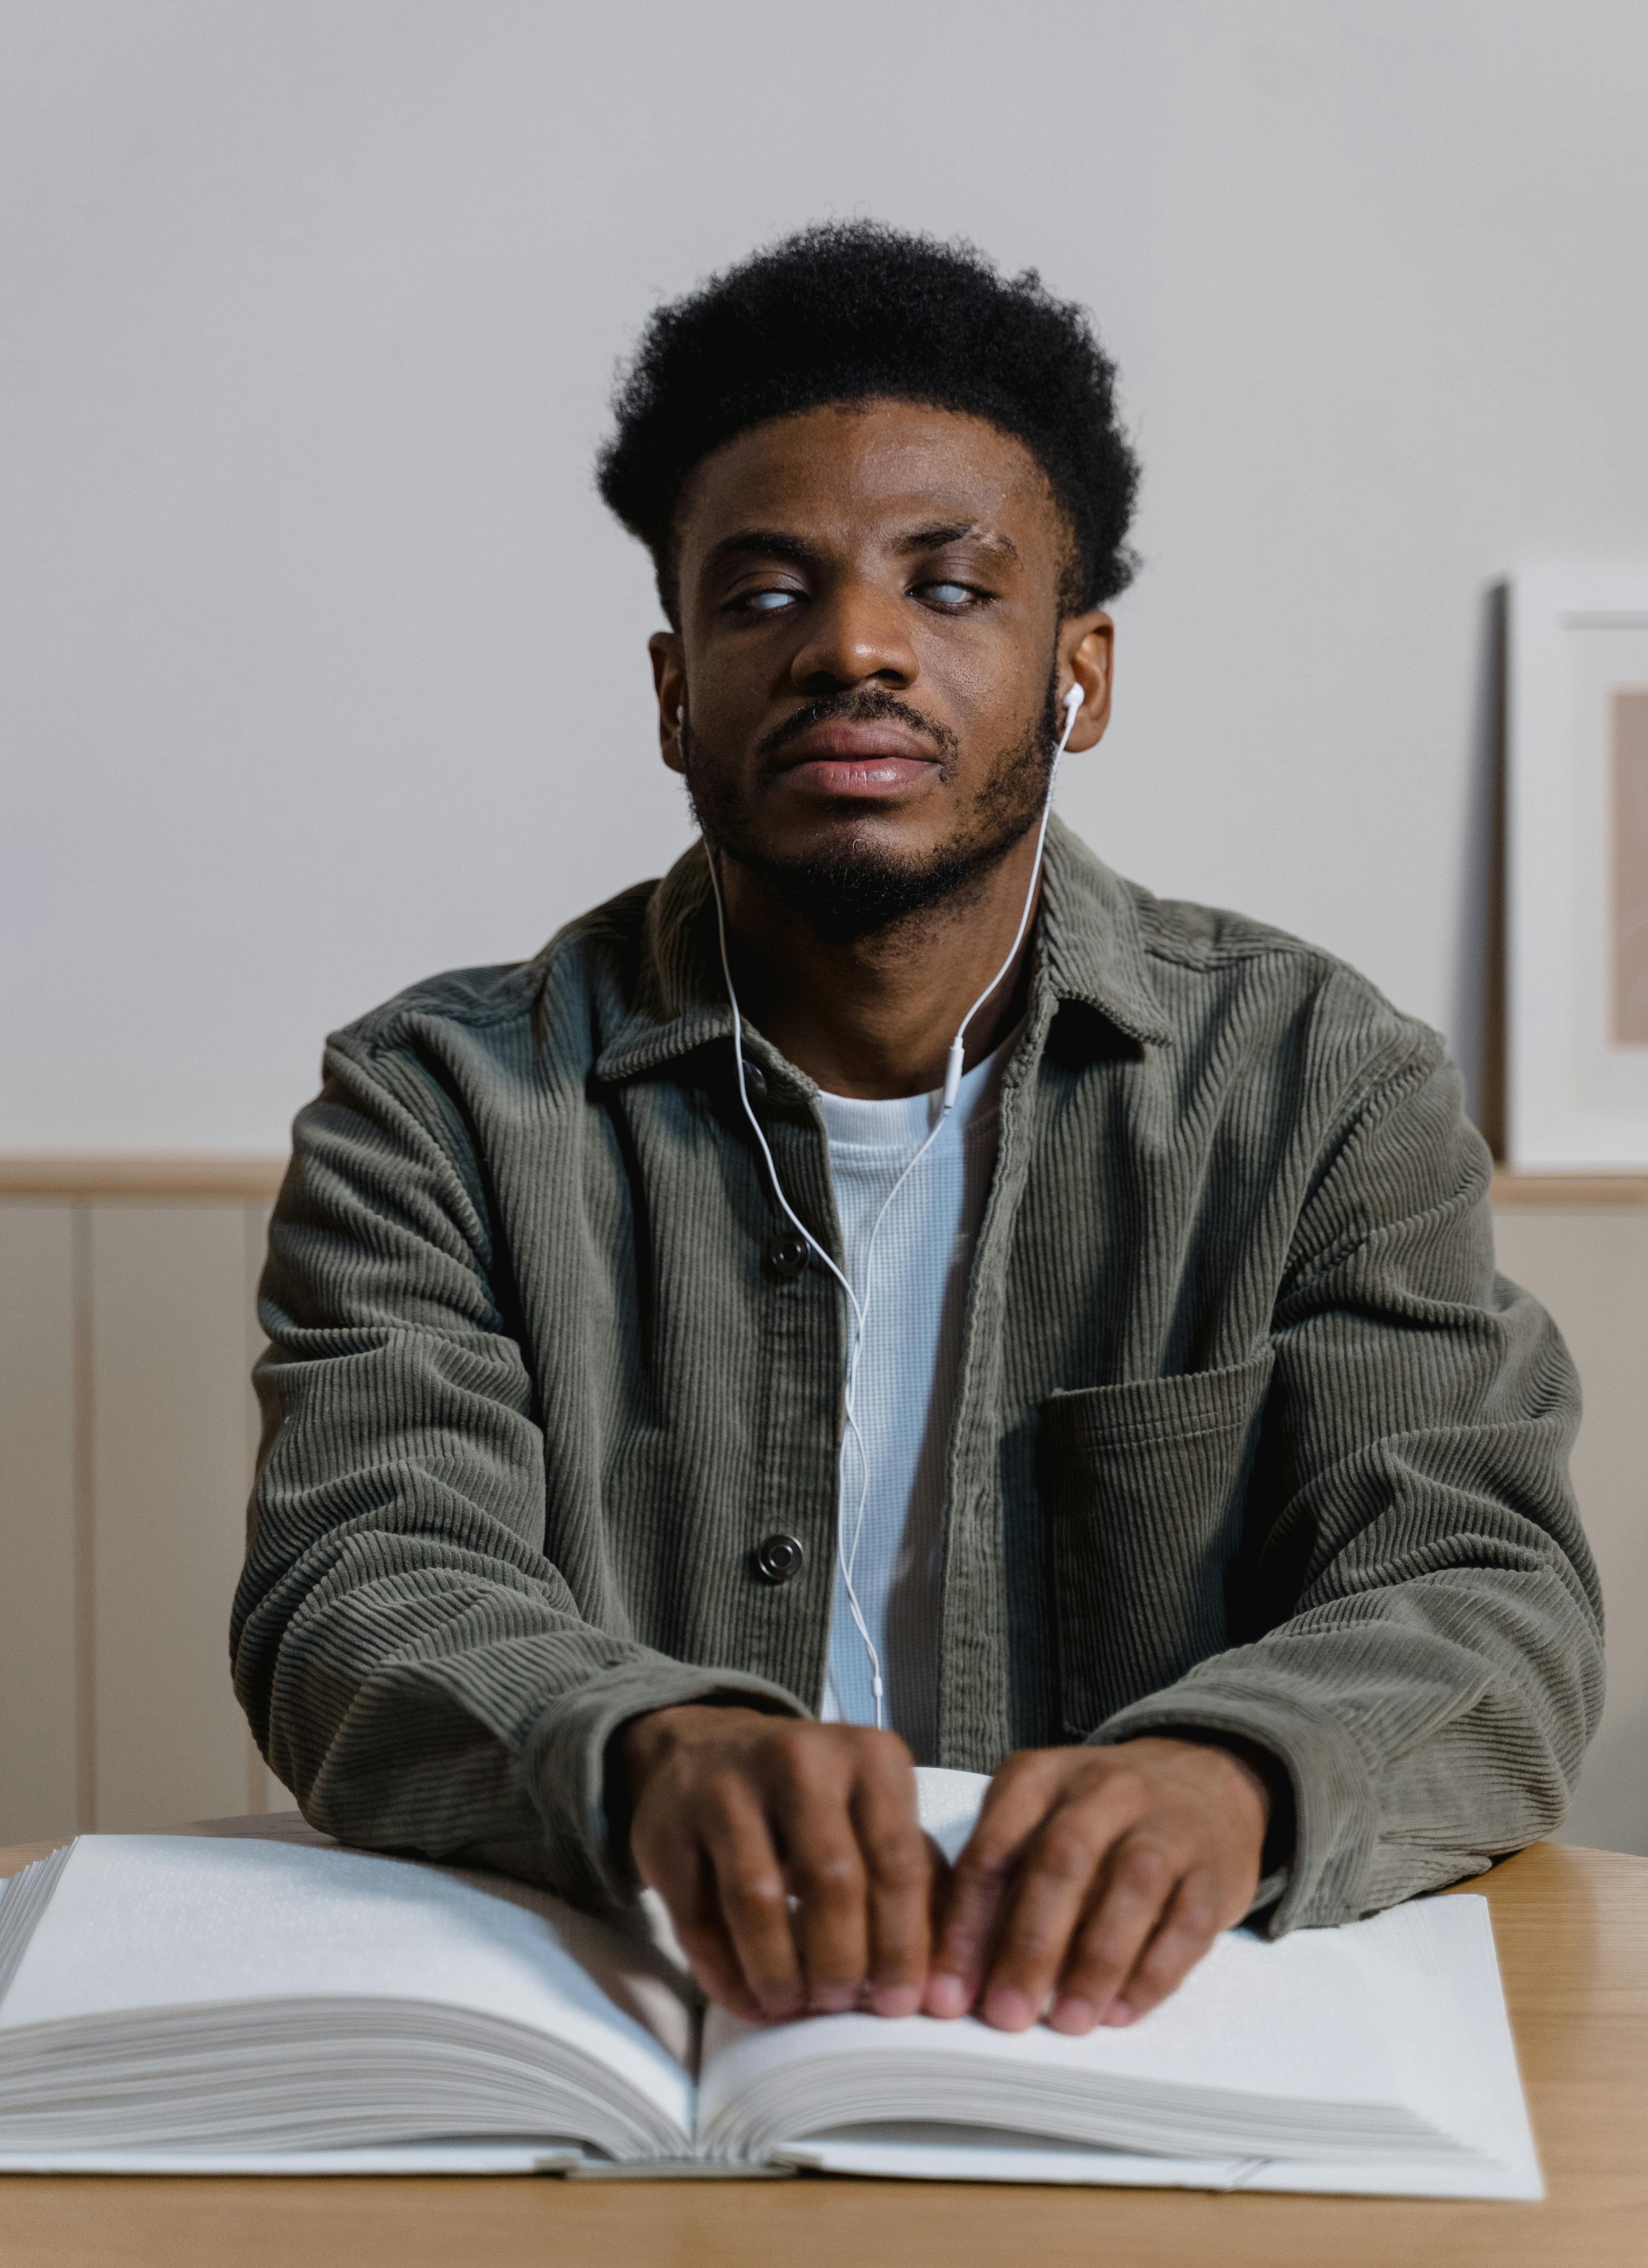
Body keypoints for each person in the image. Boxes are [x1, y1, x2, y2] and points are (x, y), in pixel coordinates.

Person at [233, 223, 1601, 2042]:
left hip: (1147, 2050)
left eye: (948, 588)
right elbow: (359, 1586)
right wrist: (649, 1751)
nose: (854, 646)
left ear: (1078, 673)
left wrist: (1234, 1775)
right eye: (766, 592)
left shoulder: (1322, 1085)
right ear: (673, 689)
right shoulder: (440, 1109)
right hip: (625, 2025)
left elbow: (1477, 1586)